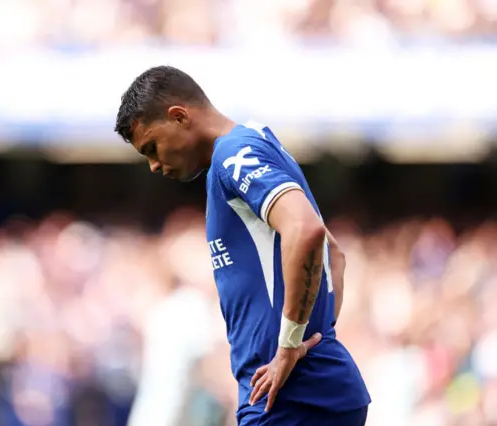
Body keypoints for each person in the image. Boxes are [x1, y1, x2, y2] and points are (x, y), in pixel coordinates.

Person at [114, 65, 371, 425]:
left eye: (152, 148)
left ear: (179, 116)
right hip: (307, 387)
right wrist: (315, 337)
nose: (154, 166)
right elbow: (335, 255)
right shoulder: (256, 143)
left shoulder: (232, 156)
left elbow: (307, 231)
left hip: (286, 397)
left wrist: (290, 344)